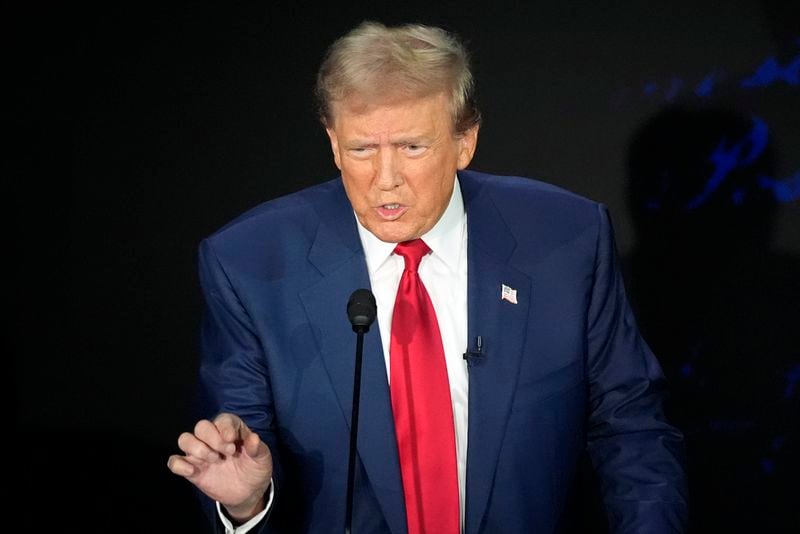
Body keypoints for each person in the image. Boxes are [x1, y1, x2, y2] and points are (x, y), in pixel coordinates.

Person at [167, 21, 688, 533]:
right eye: (362, 149)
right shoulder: (250, 263)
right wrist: (247, 504)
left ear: (465, 142)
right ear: (332, 143)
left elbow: (630, 428)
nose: (385, 179)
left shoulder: (565, 240)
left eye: (413, 147)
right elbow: (237, 451)